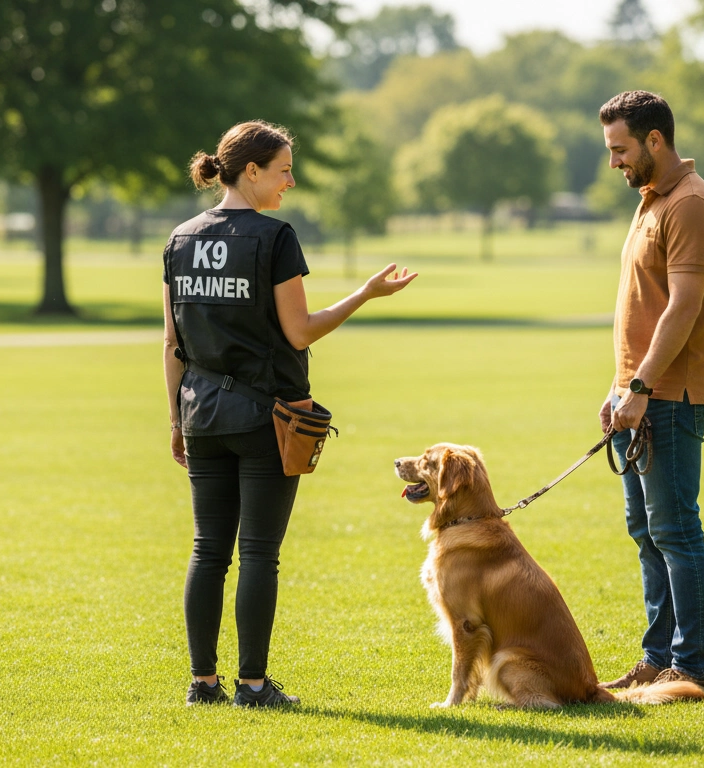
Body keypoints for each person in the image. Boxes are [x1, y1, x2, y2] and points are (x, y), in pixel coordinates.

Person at [162, 120, 416, 707]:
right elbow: (298, 332)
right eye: (282, 170)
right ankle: (253, 684)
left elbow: (172, 343)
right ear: (251, 171)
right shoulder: (274, 238)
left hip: (201, 415)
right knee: (257, 553)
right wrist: (364, 295)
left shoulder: (180, 239)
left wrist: (176, 420)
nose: (290, 181)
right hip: (263, 418)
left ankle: (203, 683)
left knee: (207, 550)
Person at [595, 91, 704, 695]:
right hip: (642, 391)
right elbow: (643, 308)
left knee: (675, 531)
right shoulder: (651, 201)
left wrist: (642, 385)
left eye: (621, 150)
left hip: (670, 393)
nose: (615, 162)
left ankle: (692, 669)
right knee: (647, 532)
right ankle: (657, 660)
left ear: (655, 140)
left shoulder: (692, 206)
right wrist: (619, 385)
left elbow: (682, 308)